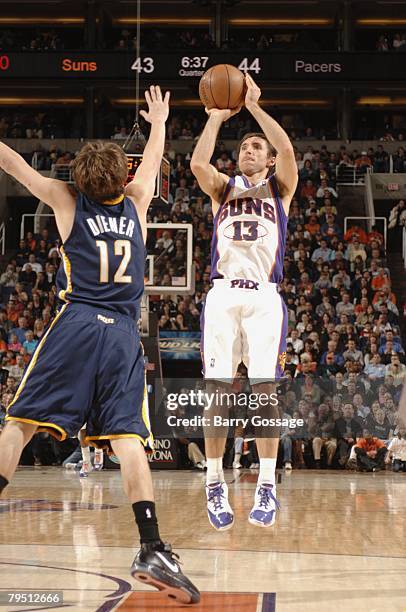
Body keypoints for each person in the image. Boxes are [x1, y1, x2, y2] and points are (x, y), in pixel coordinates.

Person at [0, 86, 199, 605]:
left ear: (80, 178)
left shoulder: (67, 200)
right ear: (123, 177)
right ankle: (152, 545)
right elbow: (154, 159)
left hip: (78, 322)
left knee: (20, 425)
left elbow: (16, 166)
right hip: (123, 332)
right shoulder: (137, 202)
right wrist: (159, 121)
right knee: (129, 438)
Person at [191, 74, 297, 529]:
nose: (249, 150)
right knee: (217, 391)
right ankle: (215, 482)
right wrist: (215, 118)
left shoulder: (280, 188)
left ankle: (267, 484)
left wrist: (254, 107)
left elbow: (289, 151)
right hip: (222, 293)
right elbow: (197, 164)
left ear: (269, 159)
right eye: (246, 146)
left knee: (264, 392)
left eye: (257, 147)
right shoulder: (223, 187)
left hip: (265, 299)